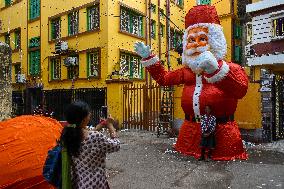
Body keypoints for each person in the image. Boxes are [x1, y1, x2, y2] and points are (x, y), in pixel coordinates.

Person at [134, 5, 248, 160]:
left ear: (214, 41)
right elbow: (164, 79)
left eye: (202, 39)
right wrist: (148, 58)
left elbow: (241, 90)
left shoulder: (230, 68)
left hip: (222, 133)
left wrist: (215, 70)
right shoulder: (187, 71)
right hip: (189, 132)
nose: (195, 44)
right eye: (191, 40)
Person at [60, 101, 120, 189]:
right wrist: (110, 126)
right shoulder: (96, 137)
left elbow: (88, 133)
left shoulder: (68, 135)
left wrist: (101, 125)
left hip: (78, 183)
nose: (90, 114)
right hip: (96, 183)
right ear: (84, 119)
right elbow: (116, 145)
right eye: (88, 113)